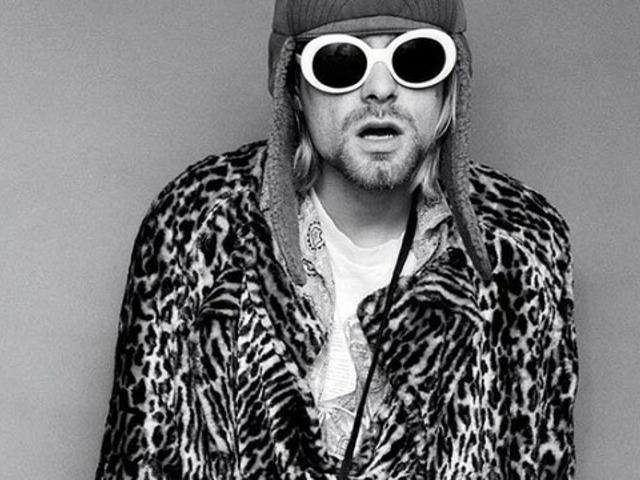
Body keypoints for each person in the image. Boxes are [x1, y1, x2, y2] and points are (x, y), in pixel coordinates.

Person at [95, 1, 578, 479]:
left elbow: (539, 460)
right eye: (341, 62)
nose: (381, 89)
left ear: (450, 85)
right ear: (294, 87)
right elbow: (139, 461)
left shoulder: (521, 247)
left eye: (416, 58)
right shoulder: (198, 226)